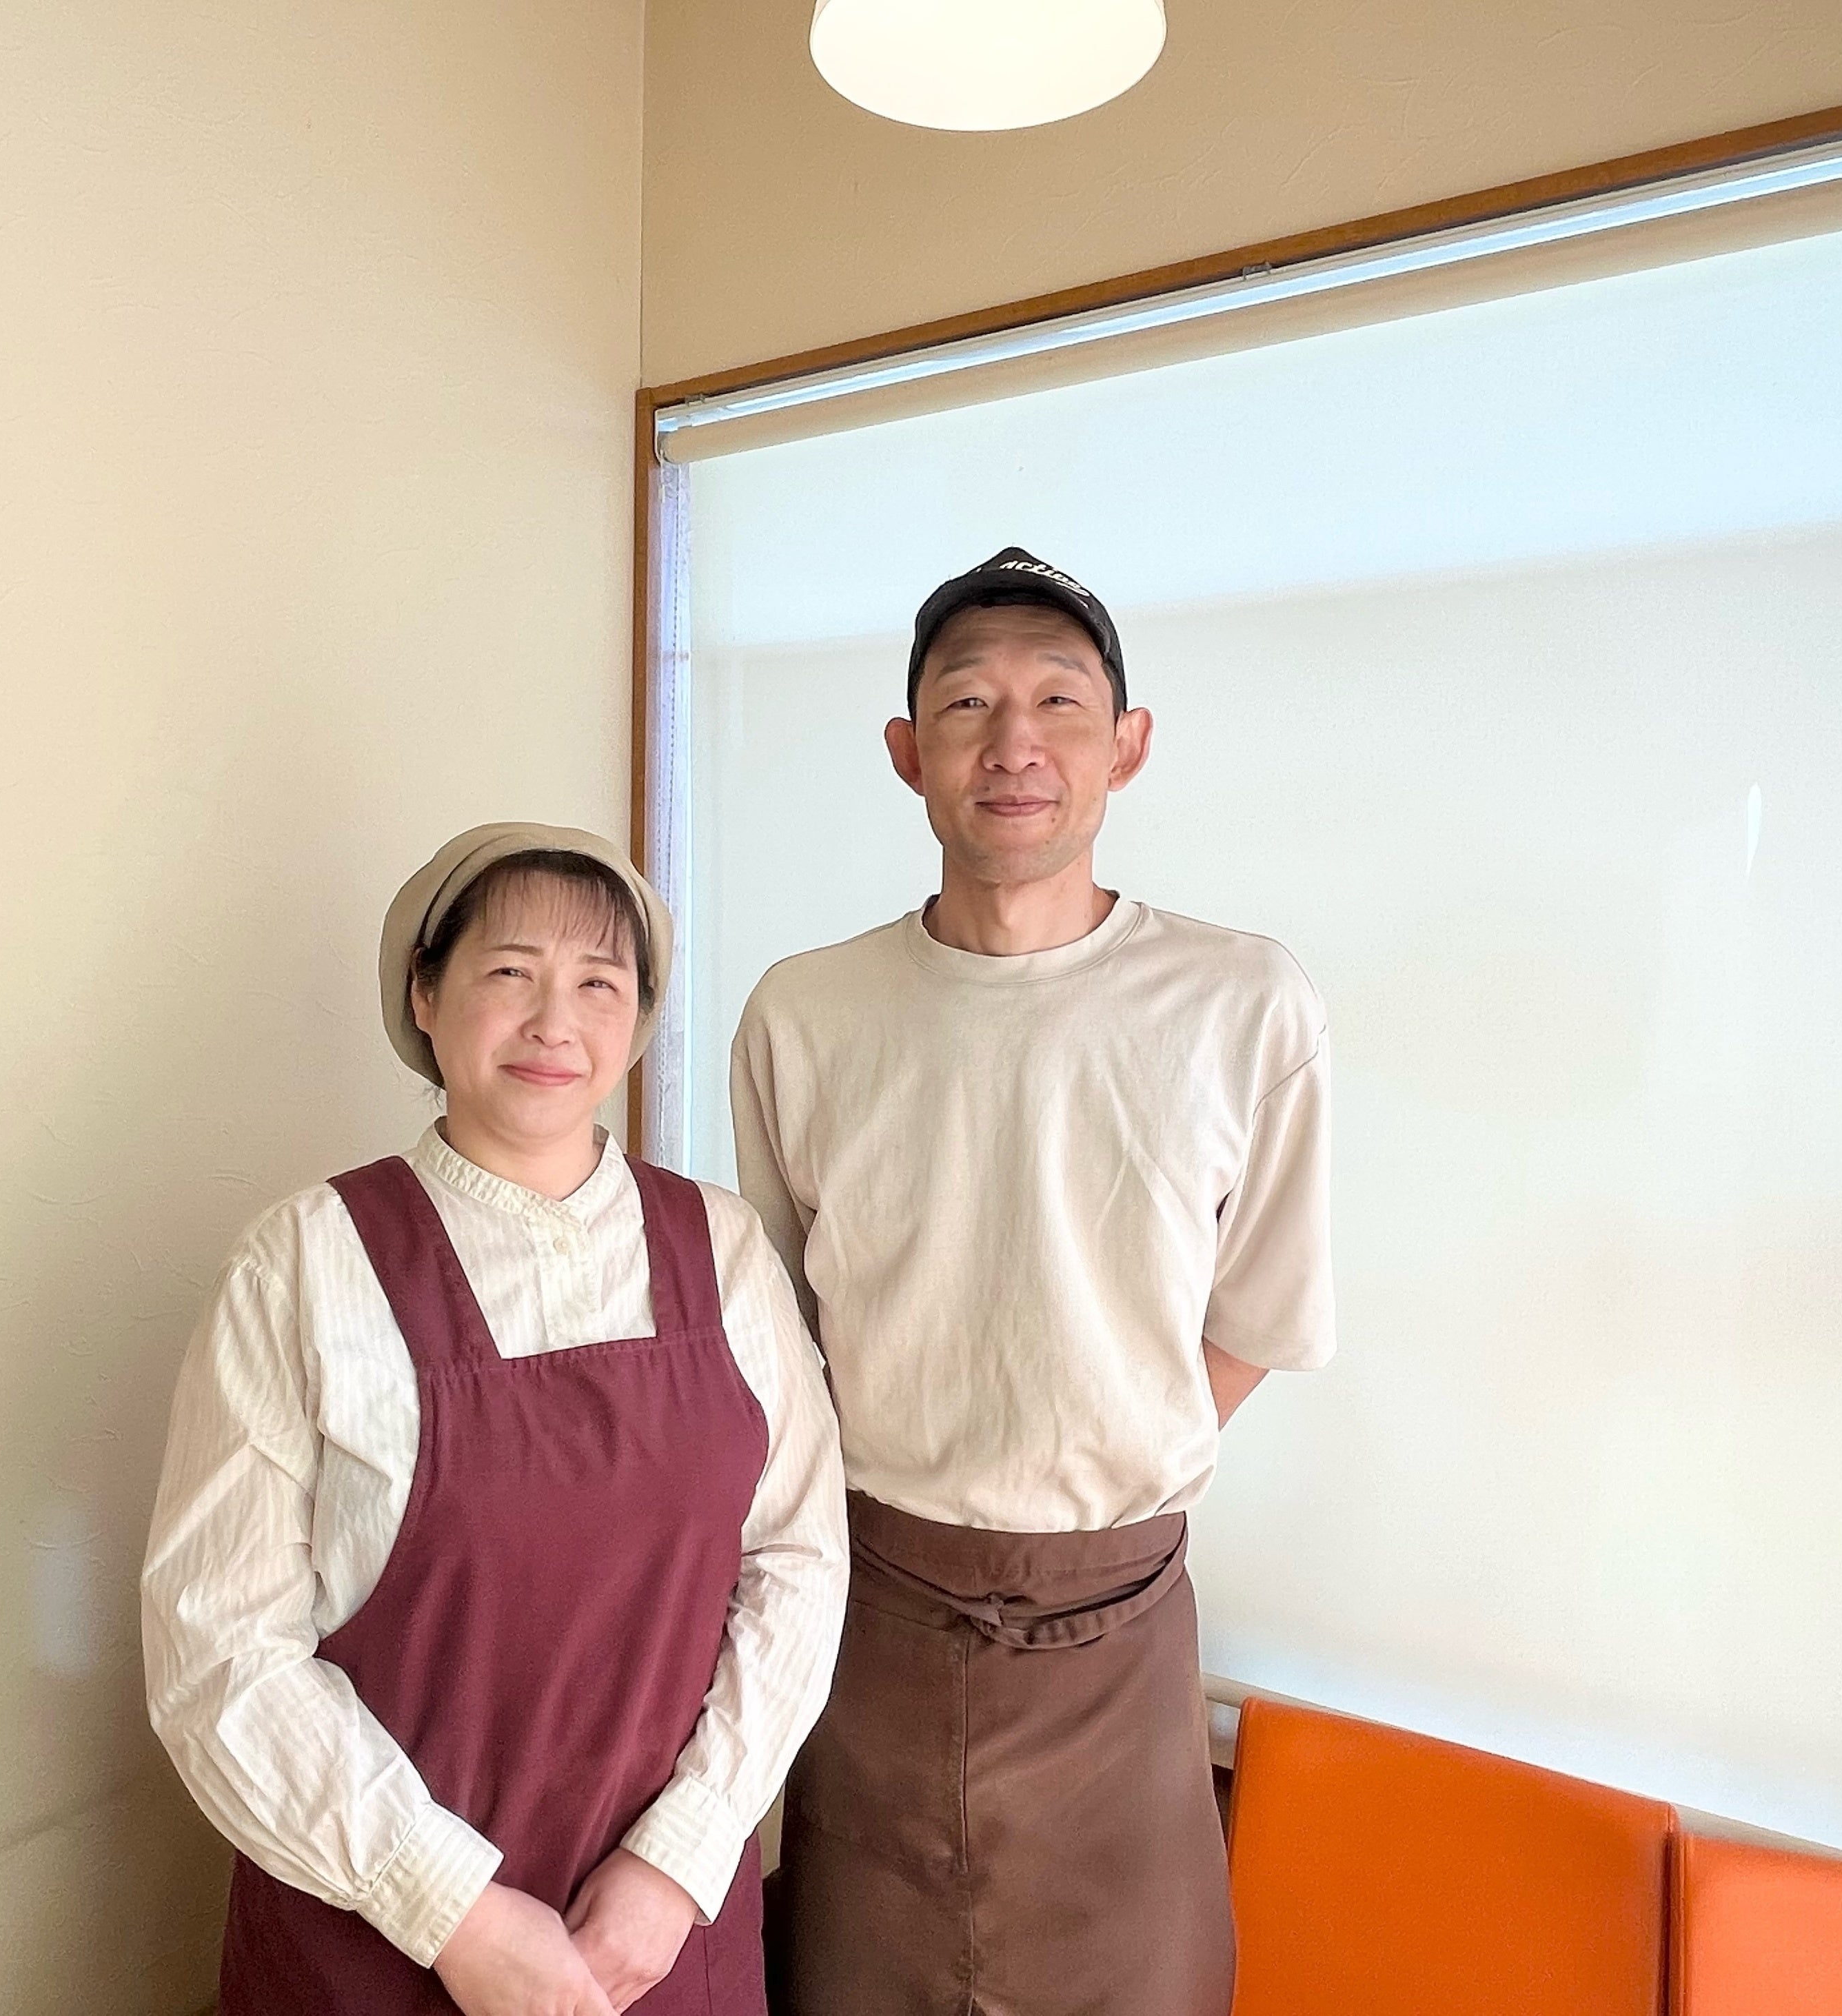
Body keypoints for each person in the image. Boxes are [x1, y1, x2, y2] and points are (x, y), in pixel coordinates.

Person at [734, 551, 1335, 2016]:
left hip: (1121, 1624)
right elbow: (780, 1333)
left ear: (1127, 744)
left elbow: (1261, 1313)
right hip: (872, 1605)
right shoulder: (805, 1011)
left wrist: (1103, 1467)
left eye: (1060, 702)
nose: (1015, 742)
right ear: (907, 752)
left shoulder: (1243, 1000)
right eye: (967, 705)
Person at [145, 823, 848, 2016]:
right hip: (372, 1948)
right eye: (510, 972)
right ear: (425, 994)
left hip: (657, 1946)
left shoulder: (723, 1247)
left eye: (599, 983)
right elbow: (220, 1652)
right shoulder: (304, 1263)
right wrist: (451, 1910)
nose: (554, 1022)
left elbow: (799, 1562)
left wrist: (678, 1860)